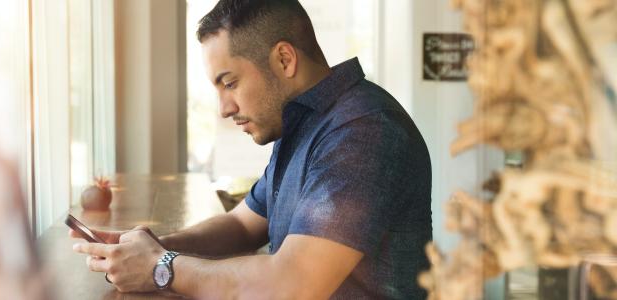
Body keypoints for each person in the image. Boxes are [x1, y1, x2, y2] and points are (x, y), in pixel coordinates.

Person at [72, 0, 432, 298]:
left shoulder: (363, 130)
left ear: (284, 60)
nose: (224, 109)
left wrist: (160, 266)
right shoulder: (303, 122)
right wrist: (146, 248)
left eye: (230, 83)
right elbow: (242, 225)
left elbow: (289, 285)